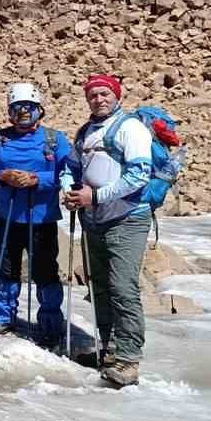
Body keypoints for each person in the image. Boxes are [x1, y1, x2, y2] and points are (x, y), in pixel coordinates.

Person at [62, 74, 154, 388]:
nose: (99, 99)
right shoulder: (85, 132)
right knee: (99, 286)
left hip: (127, 219)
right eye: (93, 95)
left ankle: (128, 359)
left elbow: (140, 174)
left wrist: (94, 196)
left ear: (116, 95)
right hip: (94, 219)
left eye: (104, 94)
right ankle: (108, 349)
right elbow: (70, 168)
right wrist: (70, 190)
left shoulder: (131, 128)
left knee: (123, 288)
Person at [0, 82, 73, 343]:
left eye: (28, 108)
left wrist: (36, 179)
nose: (23, 113)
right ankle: (3, 315)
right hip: (6, 216)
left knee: (45, 269)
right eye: (17, 108)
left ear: (39, 110)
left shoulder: (55, 140)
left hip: (42, 217)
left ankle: (50, 317)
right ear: (9, 111)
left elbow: (67, 174)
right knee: (6, 266)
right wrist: (3, 175)